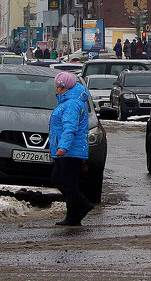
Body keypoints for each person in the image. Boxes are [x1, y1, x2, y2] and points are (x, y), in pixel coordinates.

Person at [49, 72, 93, 226]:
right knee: (60, 180)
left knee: (66, 182)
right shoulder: (67, 101)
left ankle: (79, 209)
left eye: (59, 88)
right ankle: (76, 212)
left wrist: (63, 147)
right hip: (67, 150)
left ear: (66, 87)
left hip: (70, 151)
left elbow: (70, 128)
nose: (57, 90)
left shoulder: (71, 104)